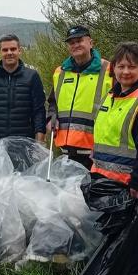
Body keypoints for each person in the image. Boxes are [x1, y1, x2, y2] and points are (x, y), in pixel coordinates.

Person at [90, 42, 138, 275]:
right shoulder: (111, 97)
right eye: (120, 66)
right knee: (116, 235)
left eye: (131, 67)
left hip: (133, 184)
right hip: (108, 180)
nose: (125, 72)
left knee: (134, 237)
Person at [48, 25, 112, 169]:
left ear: (91, 42)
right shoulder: (60, 72)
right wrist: (51, 115)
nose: (76, 45)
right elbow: (53, 102)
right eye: (71, 42)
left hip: (95, 153)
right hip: (65, 152)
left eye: (79, 40)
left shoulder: (109, 70)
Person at [0, 34, 46, 161]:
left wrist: (39, 142)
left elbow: (39, 111)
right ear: (0, 52)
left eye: (13, 49)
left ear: (20, 50)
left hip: (24, 144)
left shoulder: (32, 77)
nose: (9, 53)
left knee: (23, 181)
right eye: (5, 50)